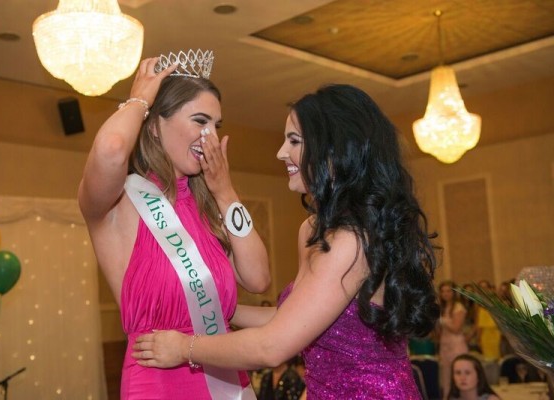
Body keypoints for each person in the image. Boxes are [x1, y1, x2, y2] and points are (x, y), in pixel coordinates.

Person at [132, 84, 440, 399]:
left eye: (293, 141)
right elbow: (290, 318)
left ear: (332, 150)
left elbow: (272, 346)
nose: (280, 152)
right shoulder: (312, 229)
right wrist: (208, 302)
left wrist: (185, 347)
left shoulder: (352, 241)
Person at [78, 53, 270, 399]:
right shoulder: (119, 202)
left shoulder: (208, 207)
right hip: (159, 384)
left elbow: (258, 278)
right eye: (200, 121)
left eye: (217, 126)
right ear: (154, 125)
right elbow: (110, 149)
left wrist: (226, 193)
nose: (210, 137)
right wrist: (139, 100)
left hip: (226, 378)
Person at [438, 280, 469, 398]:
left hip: (456, 345)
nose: (445, 294)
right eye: (443, 291)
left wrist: (441, 320)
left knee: (459, 376)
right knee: (446, 378)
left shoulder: (458, 307)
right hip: (445, 344)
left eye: (448, 291)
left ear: (454, 292)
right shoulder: (444, 307)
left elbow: (456, 328)